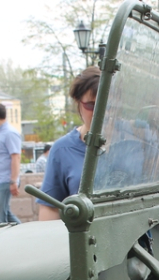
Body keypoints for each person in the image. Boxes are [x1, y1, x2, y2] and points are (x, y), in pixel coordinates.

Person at [37, 66, 100, 221]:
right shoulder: (62, 150)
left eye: (107, 104)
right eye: (91, 105)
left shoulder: (134, 143)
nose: (100, 112)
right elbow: (50, 211)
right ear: (78, 103)